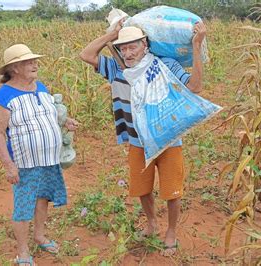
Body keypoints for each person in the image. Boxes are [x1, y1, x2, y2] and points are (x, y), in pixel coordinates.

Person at [79, 21, 206, 256]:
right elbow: (86, 55)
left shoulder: (166, 65)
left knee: (171, 190)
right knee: (142, 188)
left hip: (168, 139)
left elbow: (195, 86)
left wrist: (196, 45)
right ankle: (151, 223)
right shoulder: (117, 70)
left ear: (145, 45)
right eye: (123, 48)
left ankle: (171, 231)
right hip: (137, 141)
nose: (127, 53)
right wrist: (112, 34)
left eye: (132, 47)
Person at [0, 44, 78, 265]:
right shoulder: (5, 96)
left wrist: (66, 121)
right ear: (14, 68)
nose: (34, 64)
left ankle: (39, 236)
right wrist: (9, 166)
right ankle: (23, 252)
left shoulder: (40, 87)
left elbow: (50, 115)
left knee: (43, 198)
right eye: (28, 62)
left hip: (49, 159)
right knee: (23, 205)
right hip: (25, 163)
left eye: (34, 61)